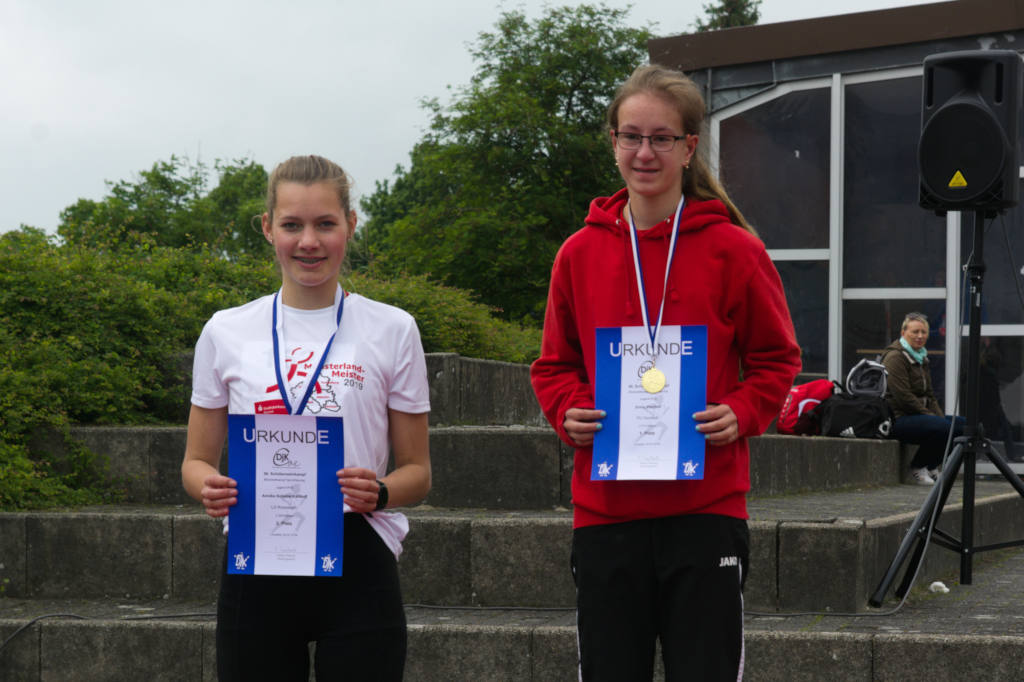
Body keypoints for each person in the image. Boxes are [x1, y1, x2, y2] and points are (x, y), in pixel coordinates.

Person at [530, 64, 801, 681]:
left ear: (688, 148)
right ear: (614, 141)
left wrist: (743, 409)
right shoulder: (579, 251)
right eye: (631, 136)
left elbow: (777, 359)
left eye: (661, 138)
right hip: (605, 512)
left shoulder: (736, 249)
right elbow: (553, 364)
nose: (644, 152)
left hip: (705, 508)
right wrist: (566, 407)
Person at [181, 155, 431, 681]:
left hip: (359, 557)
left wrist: (381, 491)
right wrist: (211, 487)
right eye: (292, 225)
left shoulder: (393, 328)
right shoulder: (226, 331)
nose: (308, 242)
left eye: (325, 224)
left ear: (351, 225)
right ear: (269, 228)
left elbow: (417, 472)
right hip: (257, 557)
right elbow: (196, 461)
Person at [881, 311, 964, 485]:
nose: (920, 336)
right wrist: (930, 416)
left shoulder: (921, 356)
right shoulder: (895, 357)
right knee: (941, 427)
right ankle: (917, 467)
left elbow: (930, 395)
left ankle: (932, 465)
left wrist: (938, 416)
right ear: (903, 333)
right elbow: (903, 397)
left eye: (923, 332)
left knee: (964, 426)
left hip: (918, 416)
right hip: (899, 419)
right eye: (915, 332)